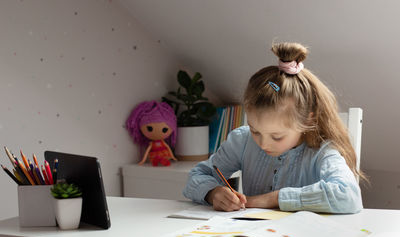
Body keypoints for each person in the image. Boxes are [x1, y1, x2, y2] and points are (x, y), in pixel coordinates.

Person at [183, 42, 366, 213]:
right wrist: (213, 192)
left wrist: (274, 199)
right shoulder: (242, 140)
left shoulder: (322, 152)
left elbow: (349, 195)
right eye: (255, 130)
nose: (263, 143)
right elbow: (197, 175)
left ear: (307, 121)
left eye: (277, 136)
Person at [126, 101, 177, 166]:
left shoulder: (162, 143)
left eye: (165, 130)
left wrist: (173, 157)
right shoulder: (152, 144)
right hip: (155, 156)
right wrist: (143, 160)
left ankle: (163, 162)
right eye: (150, 129)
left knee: (163, 161)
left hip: (163, 154)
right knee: (155, 162)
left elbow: (168, 148)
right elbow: (147, 152)